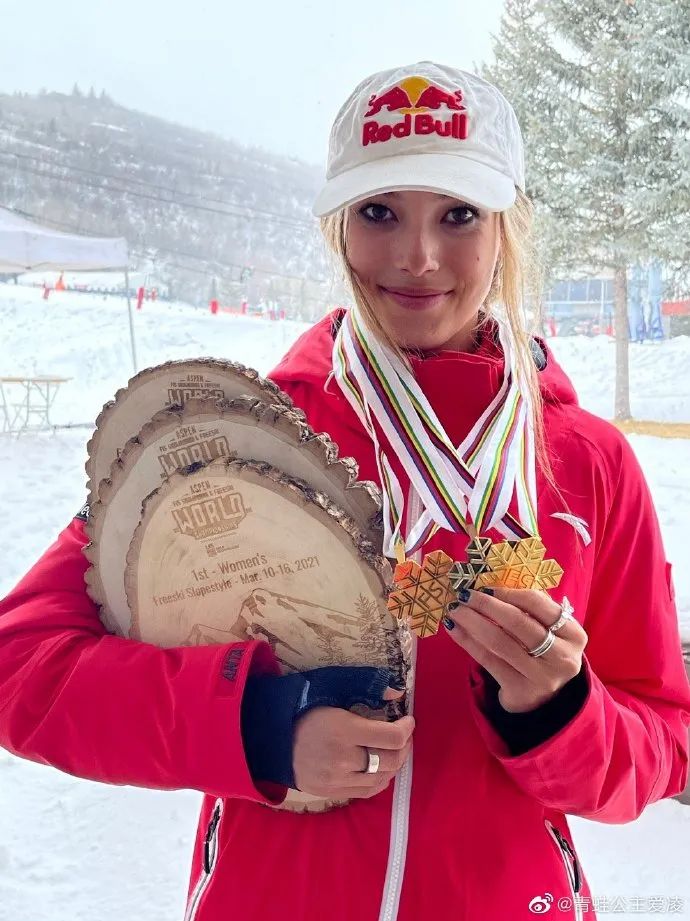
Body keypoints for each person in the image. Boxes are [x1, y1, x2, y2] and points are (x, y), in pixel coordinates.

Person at [0, 61, 688, 921]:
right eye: (379, 212)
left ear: (507, 226)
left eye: (459, 214)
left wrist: (562, 713)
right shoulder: (237, 438)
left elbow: (666, 735)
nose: (417, 256)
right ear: (337, 228)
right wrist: (259, 721)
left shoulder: (588, 464)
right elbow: (22, 663)